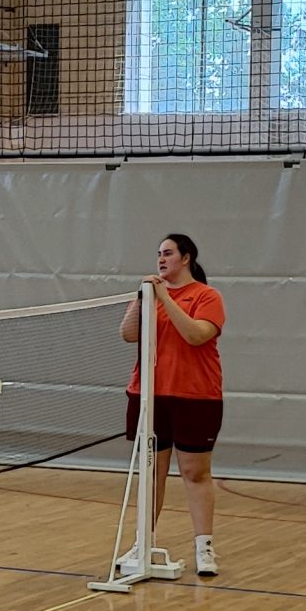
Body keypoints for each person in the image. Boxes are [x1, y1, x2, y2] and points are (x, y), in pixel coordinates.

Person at [118, 233, 226, 577]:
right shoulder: (151, 296)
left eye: (168, 253)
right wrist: (143, 298)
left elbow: (195, 335)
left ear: (186, 257)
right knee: (151, 472)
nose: (161, 259)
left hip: (195, 396)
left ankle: (204, 548)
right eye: (158, 254)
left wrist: (164, 296)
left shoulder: (206, 296)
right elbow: (128, 334)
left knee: (195, 473)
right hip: (149, 394)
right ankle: (143, 542)